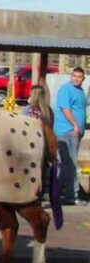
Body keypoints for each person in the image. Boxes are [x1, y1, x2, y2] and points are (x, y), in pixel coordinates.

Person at [53, 67, 87, 206]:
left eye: (79, 76)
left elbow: (81, 107)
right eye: (74, 76)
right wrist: (75, 124)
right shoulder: (65, 89)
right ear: (70, 76)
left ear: (83, 78)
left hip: (75, 132)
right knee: (71, 164)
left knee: (66, 164)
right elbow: (65, 108)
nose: (77, 78)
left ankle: (63, 193)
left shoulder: (80, 91)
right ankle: (72, 195)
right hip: (66, 131)